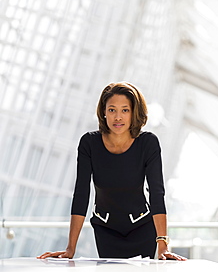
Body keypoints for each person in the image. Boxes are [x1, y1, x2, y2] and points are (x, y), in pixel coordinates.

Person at [37, 82, 186, 261]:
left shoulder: (148, 143)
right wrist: (70, 248)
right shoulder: (89, 143)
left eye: (125, 110)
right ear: (103, 112)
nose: (118, 117)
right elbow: (81, 194)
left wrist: (163, 245)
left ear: (134, 113)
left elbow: (157, 193)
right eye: (112, 110)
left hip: (142, 228)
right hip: (106, 229)